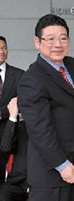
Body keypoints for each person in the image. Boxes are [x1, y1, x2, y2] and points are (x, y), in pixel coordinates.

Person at [17, 14, 74, 201]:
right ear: (37, 42)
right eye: (50, 38)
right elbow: (40, 130)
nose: (57, 44)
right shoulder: (32, 79)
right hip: (52, 175)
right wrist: (62, 165)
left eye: (63, 38)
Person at [0, 36, 24, 185]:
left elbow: (22, 101)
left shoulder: (19, 75)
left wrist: (2, 113)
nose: (2, 52)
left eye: (4, 48)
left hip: (10, 135)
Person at [0, 97, 28, 201]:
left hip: (41, 181)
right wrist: (12, 117)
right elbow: (6, 148)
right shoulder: (20, 121)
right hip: (17, 181)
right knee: (2, 197)